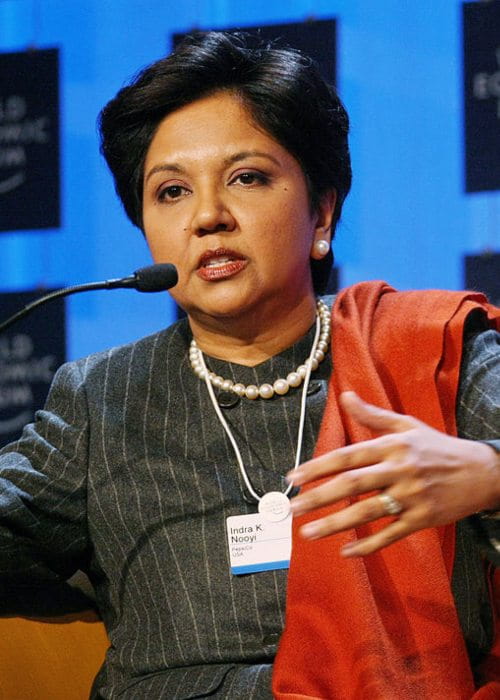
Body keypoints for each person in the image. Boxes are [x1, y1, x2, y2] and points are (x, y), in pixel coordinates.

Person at [0, 30, 499, 699]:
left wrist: (490, 476)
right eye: (171, 192)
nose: (208, 216)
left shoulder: (431, 350)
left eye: (247, 178)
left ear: (321, 212)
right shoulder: (101, 398)